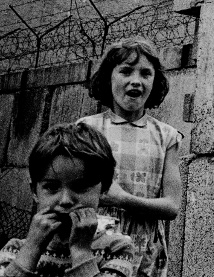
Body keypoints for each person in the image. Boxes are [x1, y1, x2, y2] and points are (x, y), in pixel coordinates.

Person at [78, 38, 181, 277]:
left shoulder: (167, 136)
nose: (136, 81)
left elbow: (172, 206)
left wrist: (122, 199)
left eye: (146, 73)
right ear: (108, 77)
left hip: (145, 251)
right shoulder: (86, 130)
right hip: (95, 243)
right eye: (125, 71)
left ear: (155, 82)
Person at [0, 123, 135, 277]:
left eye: (80, 187)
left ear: (104, 189)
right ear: (34, 192)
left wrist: (81, 252)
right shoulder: (16, 249)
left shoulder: (117, 248)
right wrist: (32, 249)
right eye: (51, 187)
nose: (65, 200)